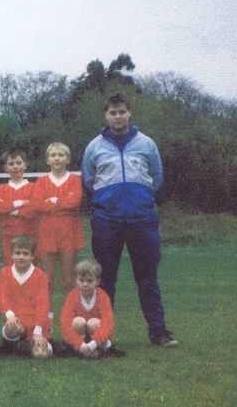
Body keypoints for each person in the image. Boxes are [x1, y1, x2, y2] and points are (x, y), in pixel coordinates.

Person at [81, 92, 177, 347]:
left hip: (142, 220)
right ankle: (100, 335)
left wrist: (139, 200)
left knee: (147, 279)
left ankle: (158, 332)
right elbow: (89, 181)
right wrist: (109, 202)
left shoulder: (147, 144)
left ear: (129, 113)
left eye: (122, 111)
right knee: (104, 280)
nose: (117, 116)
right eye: (113, 112)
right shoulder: (94, 147)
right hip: (106, 221)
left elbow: (156, 177)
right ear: (106, 115)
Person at [31, 142, 84, 327]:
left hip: (69, 232)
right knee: (47, 281)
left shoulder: (75, 179)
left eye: (61, 155)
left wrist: (53, 202)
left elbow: (74, 201)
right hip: (47, 232)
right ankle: (48, 322)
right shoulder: (41, 181)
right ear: (47, 160)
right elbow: (37, 204)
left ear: (68, 159)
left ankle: (72, 322)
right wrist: (61, 204)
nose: (57, 158)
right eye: (53, 155)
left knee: (69, 280)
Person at [0, 236, 51, 359]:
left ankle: (27, 345)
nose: (21, 257)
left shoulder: (40, 275)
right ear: (12, 255)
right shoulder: (4, 273)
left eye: (25, 254)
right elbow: (1, 298)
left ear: (32, 256)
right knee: (12, 327)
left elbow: (43, 305)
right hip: (16, 320)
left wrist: (37, 332)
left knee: (40, 355)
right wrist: (10, 315)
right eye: (17, 253)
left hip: (35, 323)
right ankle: (11, 344)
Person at [60, 258, 124, 359]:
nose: (85, 284)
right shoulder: (72, 296)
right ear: (76, 280)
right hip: (79, 337)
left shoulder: (103, 297)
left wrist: (92, 344)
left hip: (96, 337)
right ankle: (78, 349)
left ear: (97, 281)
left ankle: (98, 348)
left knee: (94, 323)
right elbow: (65, 324)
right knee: (78, 322)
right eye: (81, 280)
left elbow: (108, 324)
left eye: (90, 281)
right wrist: (80, 344)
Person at [0, 149, 38, 266]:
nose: (15, 166)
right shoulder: (2, 188)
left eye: (18, 163)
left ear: (25, 165)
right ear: (6, 168)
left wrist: (8, 209)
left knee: (29, 271)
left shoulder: (33, 187)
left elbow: (31, 211)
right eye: (11, 164)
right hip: (8, 238)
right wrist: (20, 203)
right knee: (9, 270)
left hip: (29, 236)